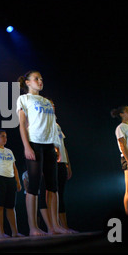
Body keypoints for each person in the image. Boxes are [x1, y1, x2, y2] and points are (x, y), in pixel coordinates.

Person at [17, 70, 68, 235]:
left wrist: (56, 147)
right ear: (27, 82)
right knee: (33, 186)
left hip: (49, 145)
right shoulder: (24, 99)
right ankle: (33, 227)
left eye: (41, 78)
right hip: (34, 144)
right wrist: (27, 146)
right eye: (36, 78)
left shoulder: (46, 101)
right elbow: (22, 124)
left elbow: (52, 125)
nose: (40, 81)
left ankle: (55, 226)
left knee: (53, 187)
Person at [0, 130, 23, 238]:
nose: (5, 138)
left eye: (6, 137)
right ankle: (1, 233)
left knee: (11, 206)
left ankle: (15, 232)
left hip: (10, 179)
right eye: (2, 136)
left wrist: (18, 181)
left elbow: (14, 168)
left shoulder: (9, 151)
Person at [51, 100, 78, 233]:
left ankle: (64, 226)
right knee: (52, 194)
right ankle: (53, 226)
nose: (53, 106)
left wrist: (68, 164)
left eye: (53, 105)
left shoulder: (57, 125)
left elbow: (63, 145)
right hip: (52, 162)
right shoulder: (45, 123)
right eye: (50, 104)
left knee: (60, 194)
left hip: (62, 162)